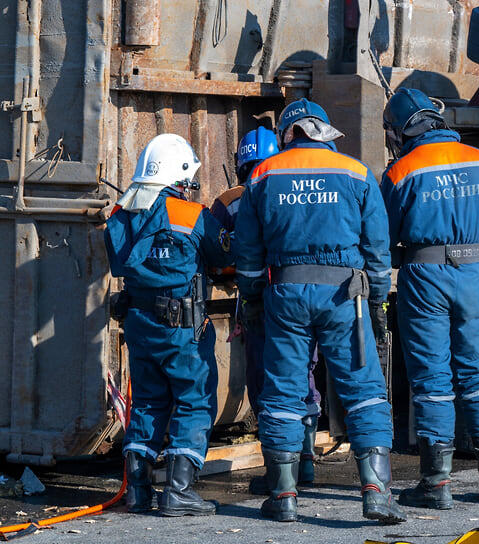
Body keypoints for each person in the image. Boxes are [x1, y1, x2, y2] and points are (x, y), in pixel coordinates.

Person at [234, 99, 405, 524]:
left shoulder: (262, 175)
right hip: (345, 295)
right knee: (363, 387)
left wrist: (254, 297)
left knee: (284, 390)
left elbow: (249, 253)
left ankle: (285, 495)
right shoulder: (356, 172)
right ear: (323, 131)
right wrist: (379, 300)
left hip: (286, 293)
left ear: (289, 134)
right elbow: (377, 248)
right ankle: (375, 492)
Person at [380, 88, 479, 510]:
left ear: (401, 129)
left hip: (425, 278)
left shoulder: (402, 172)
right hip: (474, 275)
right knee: (478, 373)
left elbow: (384, 239)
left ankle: (436, 484)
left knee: (433, 380)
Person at [104, 133, 231, 516]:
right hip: (183, 330)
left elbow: (120, 261)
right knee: (193, 401)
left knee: (147, 402)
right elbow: (226, 255)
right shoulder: (192, 215)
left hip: (140, 325)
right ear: (177, 175)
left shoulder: (121, 213)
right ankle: (178, 491)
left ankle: (139, 490)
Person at [211, 127, 321, 485]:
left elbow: (219, 254)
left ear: (241, 164)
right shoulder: (299, 187)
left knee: (266, 384)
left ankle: (279, 473)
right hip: (304, 295)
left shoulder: (229, 200)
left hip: (259, 301)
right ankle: (305, 461)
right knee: (304, 374)